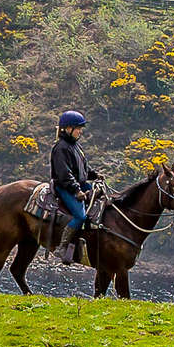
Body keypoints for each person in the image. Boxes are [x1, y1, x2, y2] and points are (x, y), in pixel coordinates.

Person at [50, 109, 99, 264]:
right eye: (78, 128)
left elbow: (82, 169)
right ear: (68, 129)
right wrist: (76, 190)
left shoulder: (75, 146)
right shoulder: (61, 148)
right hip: (65, 187)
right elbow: (64, 174)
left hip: (79, 184)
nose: (80, 132)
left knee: (100, 202)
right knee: (80, 216)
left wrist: (95, 175)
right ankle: (62, 247)